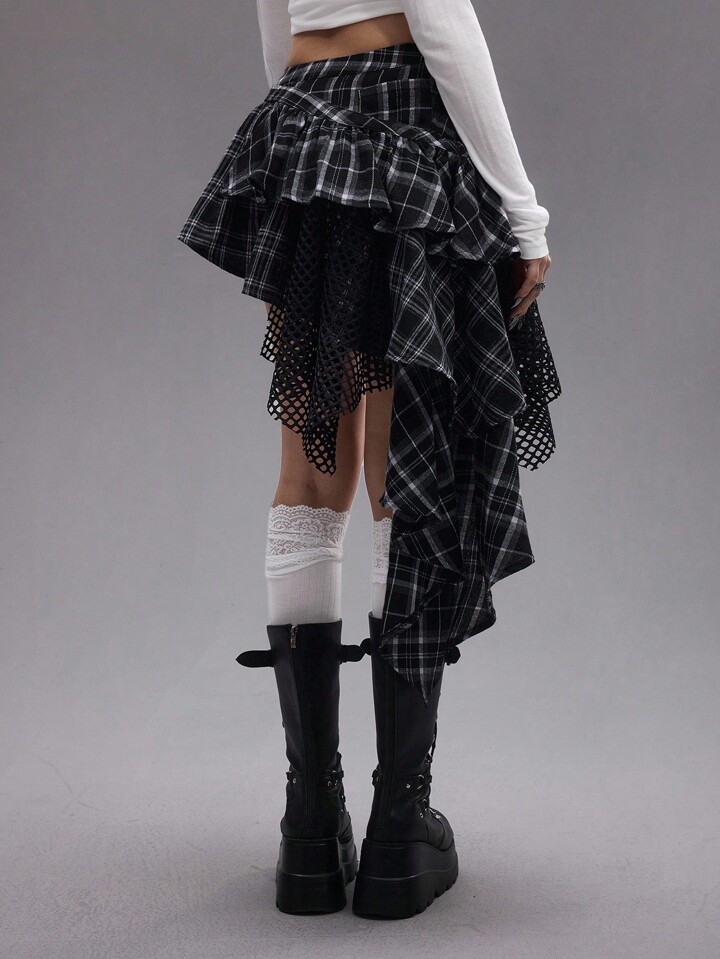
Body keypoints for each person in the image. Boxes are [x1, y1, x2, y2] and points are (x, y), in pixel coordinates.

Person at [177, 0, 561, 920]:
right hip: (400, 120)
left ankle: (310, 825)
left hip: (301, 124)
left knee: (311, 469)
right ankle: (398, 828)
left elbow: (278, 29)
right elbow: (444, 24)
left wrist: (308, 150)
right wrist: (524, 214)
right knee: (401, 475)